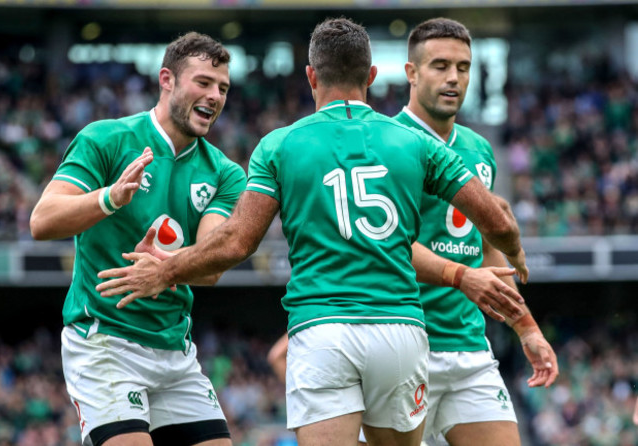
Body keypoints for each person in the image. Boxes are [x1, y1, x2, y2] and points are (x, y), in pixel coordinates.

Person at [95, 18, 529, 446]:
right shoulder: (417, 142)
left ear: (311, 76)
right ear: (373, 77)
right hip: (399, 328)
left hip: (322, 330)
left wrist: (165, 272)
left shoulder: (280, 144)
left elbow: (236, 242)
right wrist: (516, 252)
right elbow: (498, 221)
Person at [29, 32, 246, 446]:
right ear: (167, 80)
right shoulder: (107, 139)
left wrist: (165, 270)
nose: (215, 96)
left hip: (174, 350)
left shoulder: (225, 173)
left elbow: (210, 264)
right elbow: (43, 220)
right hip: (105, 339)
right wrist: (109, 198)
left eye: (222, 88)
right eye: (203, 82)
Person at [391, 18, 559, 446]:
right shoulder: (387, 144)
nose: (453, 78)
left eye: (463, 67)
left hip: (468, 347)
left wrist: (527, 328)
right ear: (411, 73)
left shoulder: (479, 149)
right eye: (440, 65)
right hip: (402, 346)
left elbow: (486, 251)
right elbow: (385, 247)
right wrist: (462, 277)